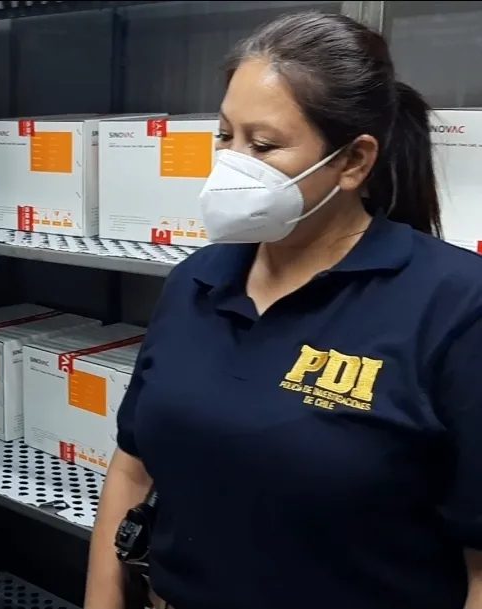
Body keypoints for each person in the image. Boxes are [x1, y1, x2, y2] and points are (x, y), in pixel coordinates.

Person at [86, 12, 482, 609]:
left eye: (263, 145)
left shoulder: (455, 306)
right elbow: (132, 468)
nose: (232, 163)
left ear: (353, 162)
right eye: (226, 136)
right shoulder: (197, 281)